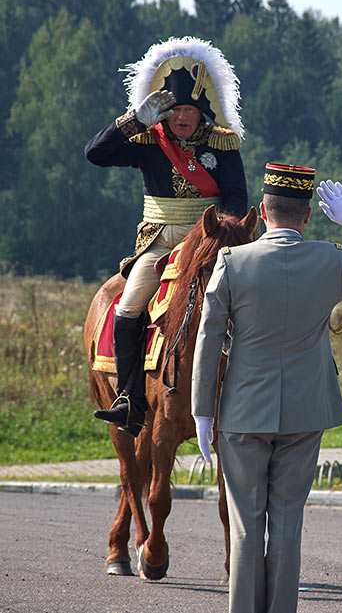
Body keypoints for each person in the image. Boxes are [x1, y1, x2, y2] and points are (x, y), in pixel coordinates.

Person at [191, 165, 342, 613]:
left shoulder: (232, 261)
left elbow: (209, 337)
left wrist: (202, 411)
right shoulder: (331, 259)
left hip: (243, 411)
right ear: (307, 216)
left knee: (246, 526)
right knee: (287, 524)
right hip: (305, 412)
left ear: (262, 211)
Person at [87, 36, 248, 436]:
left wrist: (220, 230)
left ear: (201, 112)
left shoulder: (221, 143)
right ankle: (130, 399)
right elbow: (95, 153)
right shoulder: (148, 141)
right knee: (129, 307)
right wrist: (133, 120)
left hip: (206, 244)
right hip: (158, 244)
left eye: (189, 109)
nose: (182, 117)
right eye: (174, 109)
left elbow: (237, 197)